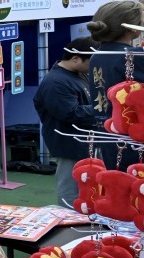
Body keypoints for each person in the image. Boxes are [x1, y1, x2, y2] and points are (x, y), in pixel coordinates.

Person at [33, 37, 98, 207]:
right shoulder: (55, 82)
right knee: (70, 190)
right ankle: (68, 224)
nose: (94, 65)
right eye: (92, 61)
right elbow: (70, 113)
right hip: (68, 143)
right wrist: (103, 109)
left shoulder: (77, 75)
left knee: (86, 186)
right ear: (75, 58)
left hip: (83, 141)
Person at [86, 0, 144, 170]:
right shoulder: (135, 56)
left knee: (117, 184)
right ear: (131, 27)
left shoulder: (97, 55)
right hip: (135, 134)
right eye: (142, 19)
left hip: (106, 131)